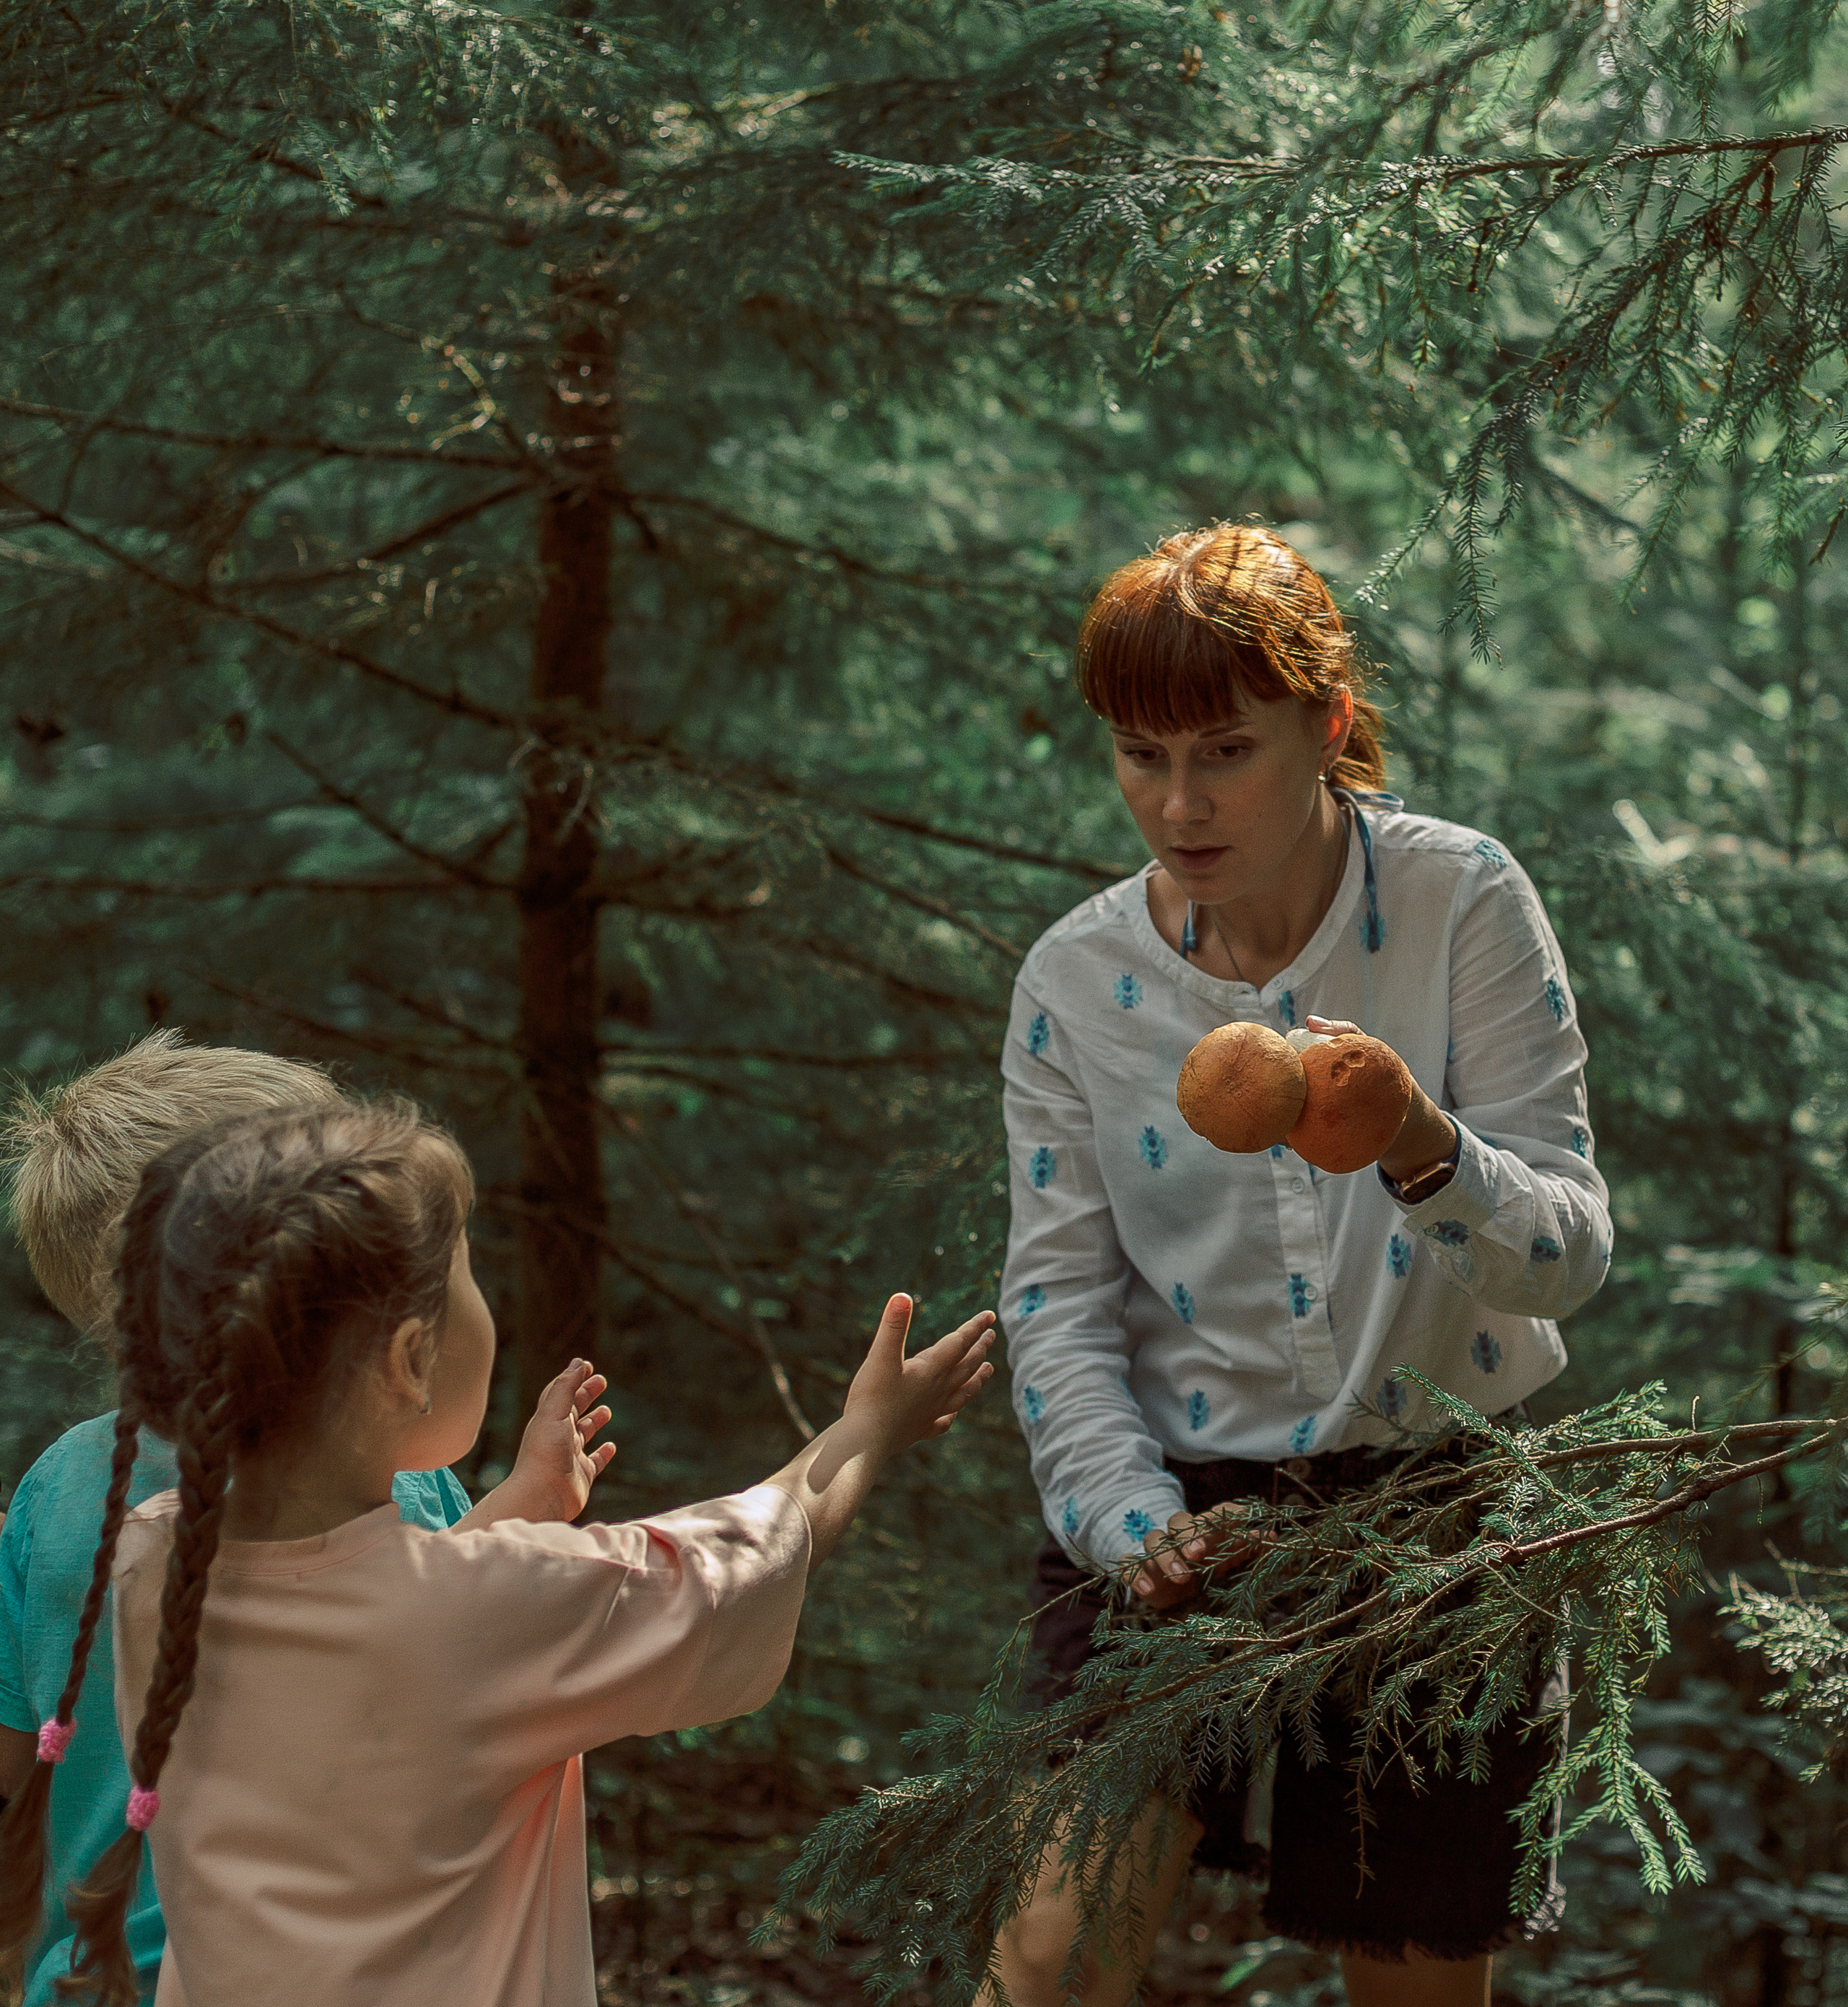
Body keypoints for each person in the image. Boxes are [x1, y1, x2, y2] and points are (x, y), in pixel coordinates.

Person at [992, 523, 1611, 2007]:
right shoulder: (1074, 982)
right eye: (1141, 755)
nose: (1179, 802)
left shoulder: (1459, 900)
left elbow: (1568, 1254)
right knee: (1050, 1962)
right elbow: (1057, 1304)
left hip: (1438, 1503)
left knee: (1410, 1977)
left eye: (1225, 750)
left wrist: (1420, 1143)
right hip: (1174, 1504)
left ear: (1326, 724)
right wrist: (1132, 1525)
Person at [0, 1097, 995, 2006]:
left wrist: (523, 1505)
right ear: (408, 1360)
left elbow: (373, 1645)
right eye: (468, 1275)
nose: (487, 1302)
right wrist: (869, 1429)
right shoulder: (506, 1610)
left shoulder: (148, 1562)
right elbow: (756, 1548)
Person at [0, 1032, 614, 2006]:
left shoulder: (60, 1489)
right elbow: (407, 1652)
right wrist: (529, 1510)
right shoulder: (394, 1474)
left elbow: (14, 1768)